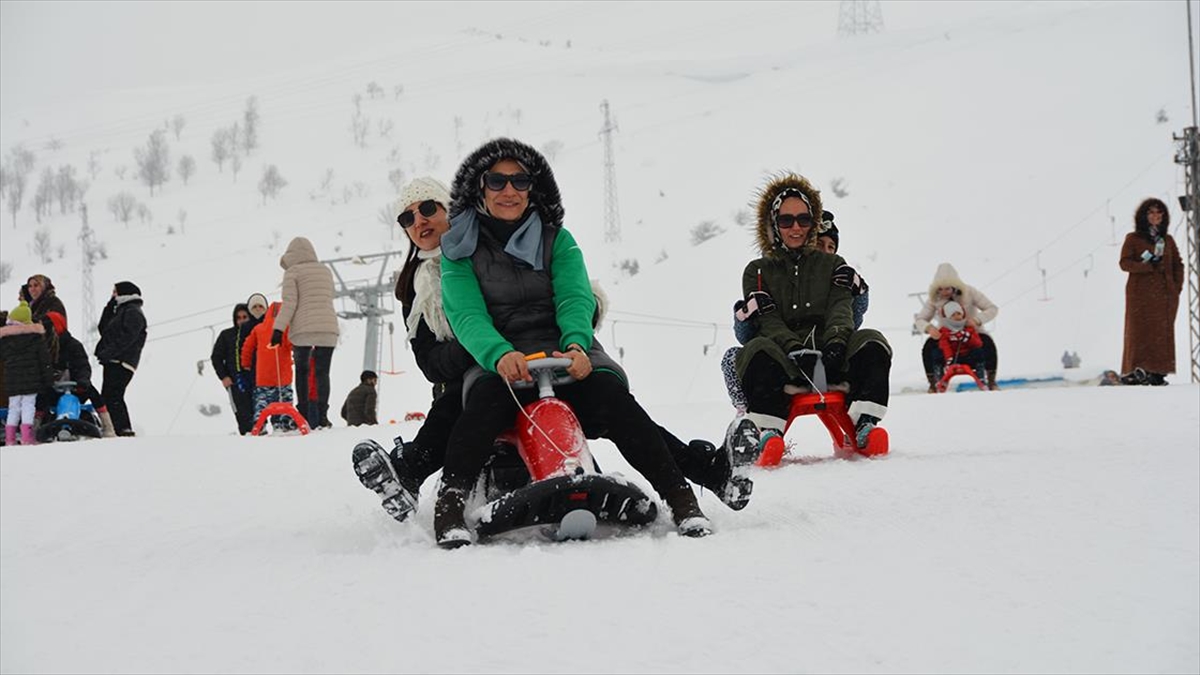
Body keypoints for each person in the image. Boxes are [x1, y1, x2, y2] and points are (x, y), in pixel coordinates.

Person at [352, 176, 747, 527]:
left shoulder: (490, 249)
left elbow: (554, 292)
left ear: (450, 211)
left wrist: (563, 325)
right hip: (478, 375)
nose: (419, 221)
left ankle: (703, 475)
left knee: (612, 404)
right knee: (457, 404)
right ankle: (418, 478)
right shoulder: (419, 291)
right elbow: (432, 362)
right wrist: (481, 347)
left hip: (538, 360)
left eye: (427, 209)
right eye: (407, 218)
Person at [434, 139, 713, 547]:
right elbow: (467, 315)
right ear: (481, 188)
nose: (508, 191)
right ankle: (450, 505)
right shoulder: (459, 252)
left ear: (533, 188)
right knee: (483, 405)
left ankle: (680, 497)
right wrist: (499, 354)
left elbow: (573, 297)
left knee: (614, 400)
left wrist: (578, 346)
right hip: (503, 358)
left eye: (519, 181)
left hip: (564, 352)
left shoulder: (557, 240)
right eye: (497, 181)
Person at [732, 173, 892, 458]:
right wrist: (795, 349)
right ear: (773, 224)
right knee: (756, 348)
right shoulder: (756, 271)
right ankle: (768, 432)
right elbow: (768, 321)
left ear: (813, 222)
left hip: (831, 358)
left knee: (871, 340)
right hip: (786, 361)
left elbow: (841, 308)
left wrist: (836, 344)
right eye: (786, 221)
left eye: (804, 220)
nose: (796, 228)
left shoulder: (833, 264)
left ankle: (865, 425)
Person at [720, 211, 870, 416]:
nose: (825, 253)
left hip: (826, 360)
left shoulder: (837, 279)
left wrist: (859, 293)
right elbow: (748, 338)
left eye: (831, 248)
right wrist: (745, 316)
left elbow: (852, 320)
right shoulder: (768, 277)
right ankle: (748, 416)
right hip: (780, 363)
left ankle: (860, 420)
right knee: (733, 358)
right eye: (819, 245)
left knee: (864, 346)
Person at [272, 238, 339, 429]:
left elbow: (290, 303)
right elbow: (330, 296)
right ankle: (323, 416)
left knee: (302, 371)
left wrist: (278, 329)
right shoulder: (325, 271)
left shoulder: (293, 272)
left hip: (303, 329)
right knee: (323, 372)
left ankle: (302, 416)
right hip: (328, 327)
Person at [1118, 198, 1184, 386]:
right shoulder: (1133, 238)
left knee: (1162, 333)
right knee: (1139, 331)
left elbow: (1178, 264)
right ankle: (1136, 370)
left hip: (1164, 295)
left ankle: (1158, 371)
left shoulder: (1167, 240)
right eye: (1151, 213)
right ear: (1143, 216)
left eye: (1159, 213)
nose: (1155, 216)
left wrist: (1175, 287)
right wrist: (1146, 266)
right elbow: (1124, 263)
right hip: (1140, 294)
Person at [913, 263, 1000, 392]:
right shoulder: (934, 299)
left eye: (947, 289)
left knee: (987, 343)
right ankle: (933, 384)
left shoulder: (970, 292)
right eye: (940, 289)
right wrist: (929, 328)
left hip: (972, 334)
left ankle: (991, 382)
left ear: (955, 287)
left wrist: (977, 320)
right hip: (946, 337)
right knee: (929, 347)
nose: (944, 292)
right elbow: (920, 319)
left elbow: (992, 308)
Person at [41, 311, 114, 437]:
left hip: (76, 387)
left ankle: (108, 426)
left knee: (94, 393)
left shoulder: (73, 346)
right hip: (54, 387)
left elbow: (82, 365)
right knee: (39, 398)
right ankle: (34, 426)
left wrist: (83, 380)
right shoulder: (44, 347)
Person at [94, 282, 147, 437]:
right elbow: (103, 328)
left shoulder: (133, 311)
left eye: (115, 292)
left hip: (122, 361)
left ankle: (122, 429)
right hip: (114, 360)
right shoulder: (122, 311)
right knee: (109, 395)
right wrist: (109, 307)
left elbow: (128, 337)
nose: (113, 295)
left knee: (113, 395)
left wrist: (109, 352)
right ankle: (116, 428)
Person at [1, 301, 53, 446]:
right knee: (29, 406)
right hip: (32, 379)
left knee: (14, 407)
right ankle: (27, 436)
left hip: (12, 380)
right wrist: (48, 379)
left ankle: (10, 438)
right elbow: (44, 361)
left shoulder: (5, 340)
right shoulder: (36, 338)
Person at [241, 301, 296, 433]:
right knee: (284, 401)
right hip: (283, 376)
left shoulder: (258, 329)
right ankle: (284, 423)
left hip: (263, 377)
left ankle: (259, 424)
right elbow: (292, 345)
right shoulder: (287, 328)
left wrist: (246, 363)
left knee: (262, 403)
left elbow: (247, 347)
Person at [211, 303, 256, 434]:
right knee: (242, 417)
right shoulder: (227, 335)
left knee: (258, 416)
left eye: (245, 317)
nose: (241, 320)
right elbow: (216, 357)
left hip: (255, 381)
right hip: (235, 383)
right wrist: (224, 376)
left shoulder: (255, 332)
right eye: (238, 318)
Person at [936, 300, 985, 374]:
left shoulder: (969, 329)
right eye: (953, 315)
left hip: (968, 356)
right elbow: (945, 346)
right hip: (953, 358)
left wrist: (968, 338)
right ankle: (939, 376)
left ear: (963, 314)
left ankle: (980, 373)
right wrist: (949, 358)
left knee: (979, 352)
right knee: (937, 354)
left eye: (958, 314)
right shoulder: (944, 331)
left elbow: (978, 343)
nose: (956, 317)